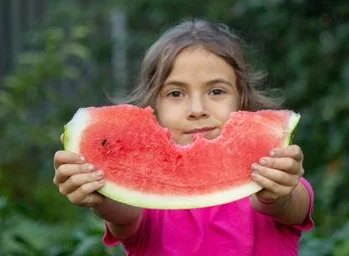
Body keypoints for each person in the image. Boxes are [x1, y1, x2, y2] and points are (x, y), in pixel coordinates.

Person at [53, 19, 314, 256]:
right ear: (153, 106)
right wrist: (100, 191)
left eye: (217, 91)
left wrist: (277, 193)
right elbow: (122, 213)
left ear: (241, 99)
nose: (197, 110)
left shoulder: (275, 176)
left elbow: (289, 204)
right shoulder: (145, 196)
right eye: (176, 94)